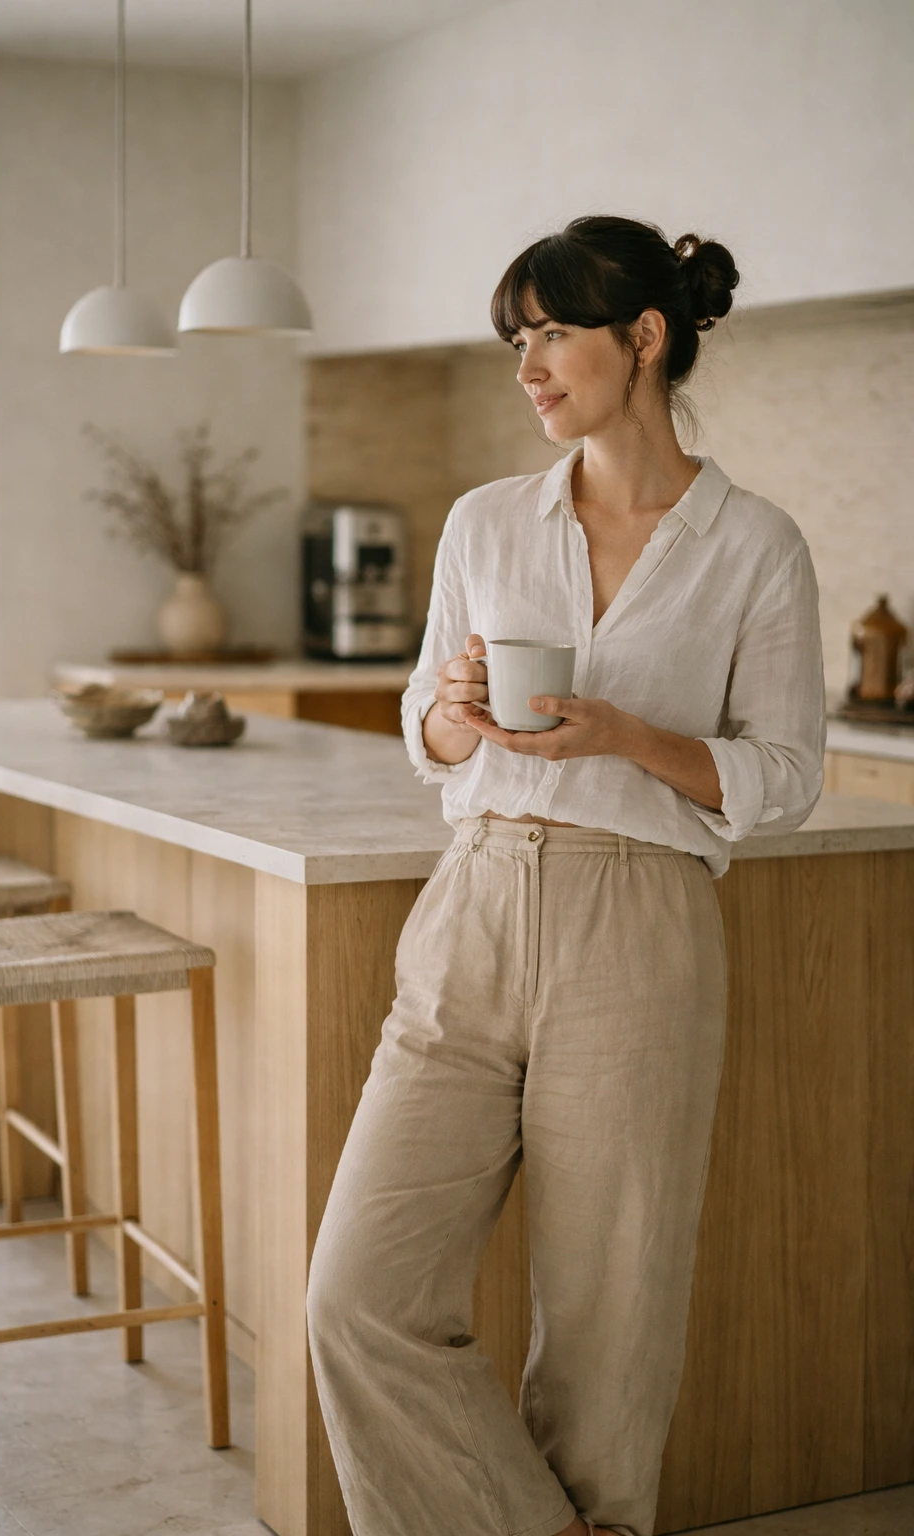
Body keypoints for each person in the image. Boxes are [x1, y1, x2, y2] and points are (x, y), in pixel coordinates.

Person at [306, 214, 826, 1536]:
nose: (526, 368)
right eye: (516, 341)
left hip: (637, 923)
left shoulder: (755, 546)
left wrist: (626, 738)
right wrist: (454, 715)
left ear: (644, 337)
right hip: (475, 906)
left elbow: (786, 774)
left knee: (606, 1341)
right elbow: (422, 724)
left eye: (551, 335)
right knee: (358, 1295)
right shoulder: (485, 523)